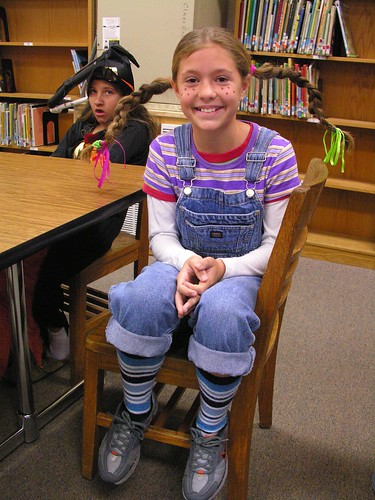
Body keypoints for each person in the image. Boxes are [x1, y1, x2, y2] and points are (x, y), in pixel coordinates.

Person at [96, 27, 353, 499]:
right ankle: (136, 410)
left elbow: (274, 248)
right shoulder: (165, 150)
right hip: (181, 262)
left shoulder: (273, 153)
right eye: (192, 80)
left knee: (225, 313)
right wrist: (190, 264)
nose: (207, 92)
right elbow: (160, 236)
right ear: (177, 87)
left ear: (244, 84)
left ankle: (210, 431)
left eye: (221, 79)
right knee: (137, 298)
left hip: (242, 271)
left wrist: (222, 271)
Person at [30, 47, 157, 362]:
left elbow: (100, 172)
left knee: (42, 272)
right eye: (93, 92)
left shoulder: (135, 131)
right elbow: (54, 167)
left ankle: (57, 328)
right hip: (61, 214)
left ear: (126, 96)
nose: (98, 101)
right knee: (21, 261)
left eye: (109, 92)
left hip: (96, 226)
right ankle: (33, 328)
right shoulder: (82, 127)